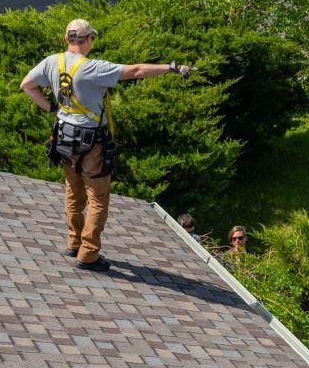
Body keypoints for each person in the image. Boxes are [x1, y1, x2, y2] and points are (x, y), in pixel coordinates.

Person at [21, 19, 195, 272]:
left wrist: (51, 108)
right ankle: (89, 254)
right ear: (89, 39)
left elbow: (27, 85)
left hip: (63, 137)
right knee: (98, 199)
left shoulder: (51, 62)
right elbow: (135, 71)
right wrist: (170, 68)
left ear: (65, 39)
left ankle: (74, 242)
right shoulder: (93, 68)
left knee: (73, 192)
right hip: (91, 141)